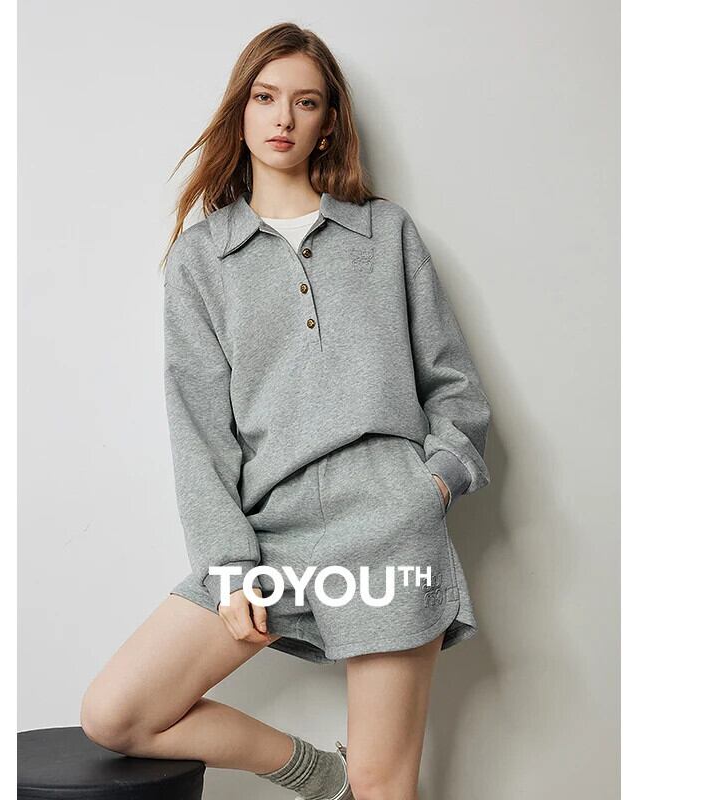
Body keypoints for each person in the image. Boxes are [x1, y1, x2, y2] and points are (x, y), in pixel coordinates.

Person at [80, 21, 491, 800]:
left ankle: (357, 782)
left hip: (388, 530)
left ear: (329, 121)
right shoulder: (203, 259)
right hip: (271, 540)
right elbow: (200, 434)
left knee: (385, 787)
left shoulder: (385, 234)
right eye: (266, 98)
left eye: (306, 102)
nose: (283, 119)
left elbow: (456, 388)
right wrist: (230, 568)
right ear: (240, 110)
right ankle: (321, 775)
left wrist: (432, 484)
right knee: (117, 713)